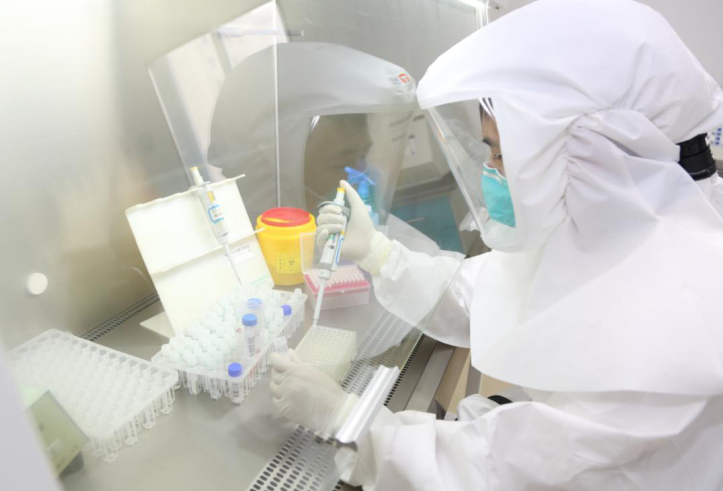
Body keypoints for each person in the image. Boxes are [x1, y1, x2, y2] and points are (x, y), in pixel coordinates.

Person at [270, 0, 723, 489]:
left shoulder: (670, 330)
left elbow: (497, 471)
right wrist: (380, 254)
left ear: (593, 157)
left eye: (503, 155)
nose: (491, 172)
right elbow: (484, 294)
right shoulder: (614, 237)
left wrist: (347, 420)